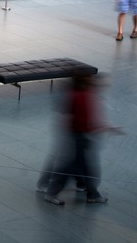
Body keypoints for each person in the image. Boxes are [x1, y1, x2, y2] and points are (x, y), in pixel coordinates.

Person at [43, 70, 122, 206]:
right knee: (72, 167)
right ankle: (53, 192)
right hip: (79, 136)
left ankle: (91, 194)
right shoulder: (79, 96)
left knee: (84, 167)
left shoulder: (85, 94)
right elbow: (82, 120)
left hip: (82, 136)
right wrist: (102, 128)